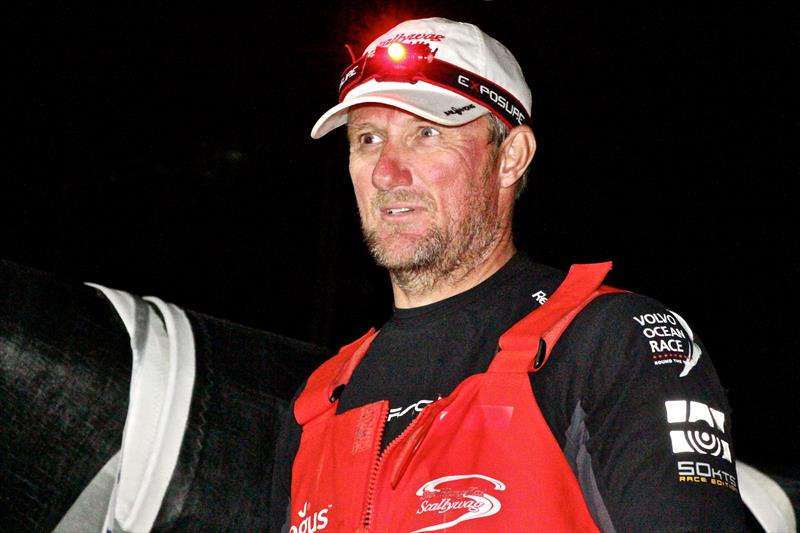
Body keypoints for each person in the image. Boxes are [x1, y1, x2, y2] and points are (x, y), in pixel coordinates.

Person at [271, 17, 748, 532]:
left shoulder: (608, 344)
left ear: (510, 157)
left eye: (426, 134)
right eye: (367, 139)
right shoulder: (318, 402)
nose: (387, 172)